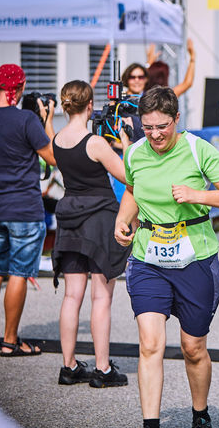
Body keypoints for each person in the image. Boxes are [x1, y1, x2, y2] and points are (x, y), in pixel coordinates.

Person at [114, 86, 219, 428]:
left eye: (162, 126)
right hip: (148, 258)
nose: (155, 134)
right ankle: (150, 423)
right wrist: (122, 219)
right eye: (148, 127)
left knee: (193, 347)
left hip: (194, 258)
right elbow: (131, 190)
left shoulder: (197, 149)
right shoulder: (135, 153)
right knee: (149, 344)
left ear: (176, 119)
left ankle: (199, 413)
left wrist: (195, 194)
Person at [0, 64, 55, 356]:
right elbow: (52, 158)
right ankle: (9, 340)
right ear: (21, 86)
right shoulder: (28, 120)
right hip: (23, 207)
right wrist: (46, 119)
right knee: (18, 272)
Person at [53, 80, 132, 388]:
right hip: (99, 219)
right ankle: (102, 368)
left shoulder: (58, 139)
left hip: (69, 215)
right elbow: (127, 176)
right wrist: (126, 145)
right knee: (101, 297)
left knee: (73, 296)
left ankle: (69, 365)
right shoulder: (95, 143)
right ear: (89, 106)